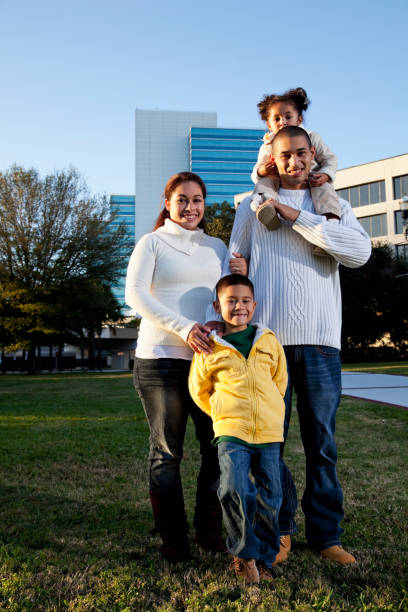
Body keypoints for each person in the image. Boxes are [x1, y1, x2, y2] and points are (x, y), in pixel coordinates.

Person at [225, 125, 372, 565]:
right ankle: (281, 530)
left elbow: (359, 253)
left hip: (322, 344)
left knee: (322, 445)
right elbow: (236, 266)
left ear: (313, 155)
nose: (294, 162)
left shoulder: (334, 206)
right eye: (285, 154)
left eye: (301, 153)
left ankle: (327, 537)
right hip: (270, 347)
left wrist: (298, 218)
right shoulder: (252, 207)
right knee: (272, 445)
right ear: (272, 158)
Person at [125, 171, 234, 563]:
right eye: (182, 199)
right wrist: (185, 328)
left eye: (197, 200)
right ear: (167, 202)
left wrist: (218, 322)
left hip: (209, 364)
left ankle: (210, 532)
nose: (190, 207)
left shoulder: (218, 246)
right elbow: (134, 294)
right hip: (161, 362)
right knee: (168, 452)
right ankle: (173, 540)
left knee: (217, 448)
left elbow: (226, 296)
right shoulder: (152, 243)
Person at [189, 274, 287, 584]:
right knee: (233, 489)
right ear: (218, 307)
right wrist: (221, 414)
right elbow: (198, 389)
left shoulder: (269, 341)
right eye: (231, 301)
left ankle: (265, 559)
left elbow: (279, 381)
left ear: (254, 305)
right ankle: (244, 556)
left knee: (271, 496)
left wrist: (271, 409)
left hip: (269, 433)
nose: (239, 306)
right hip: (231, 432)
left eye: (245, 301)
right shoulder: (210, 348)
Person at [250, 87, 340, 257]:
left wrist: (326, 175)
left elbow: (329, 158)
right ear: (269, 125)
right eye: (277, 119)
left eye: (288, 116)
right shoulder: (267, 145)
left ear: (299, 119)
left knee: (326, 191)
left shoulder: (311, 137)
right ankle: (266, 207)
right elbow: (256, 172)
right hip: (278, 180)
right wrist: (262, 170)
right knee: (264, 182)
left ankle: (330, 228)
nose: (282, 121)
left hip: (311, 179)